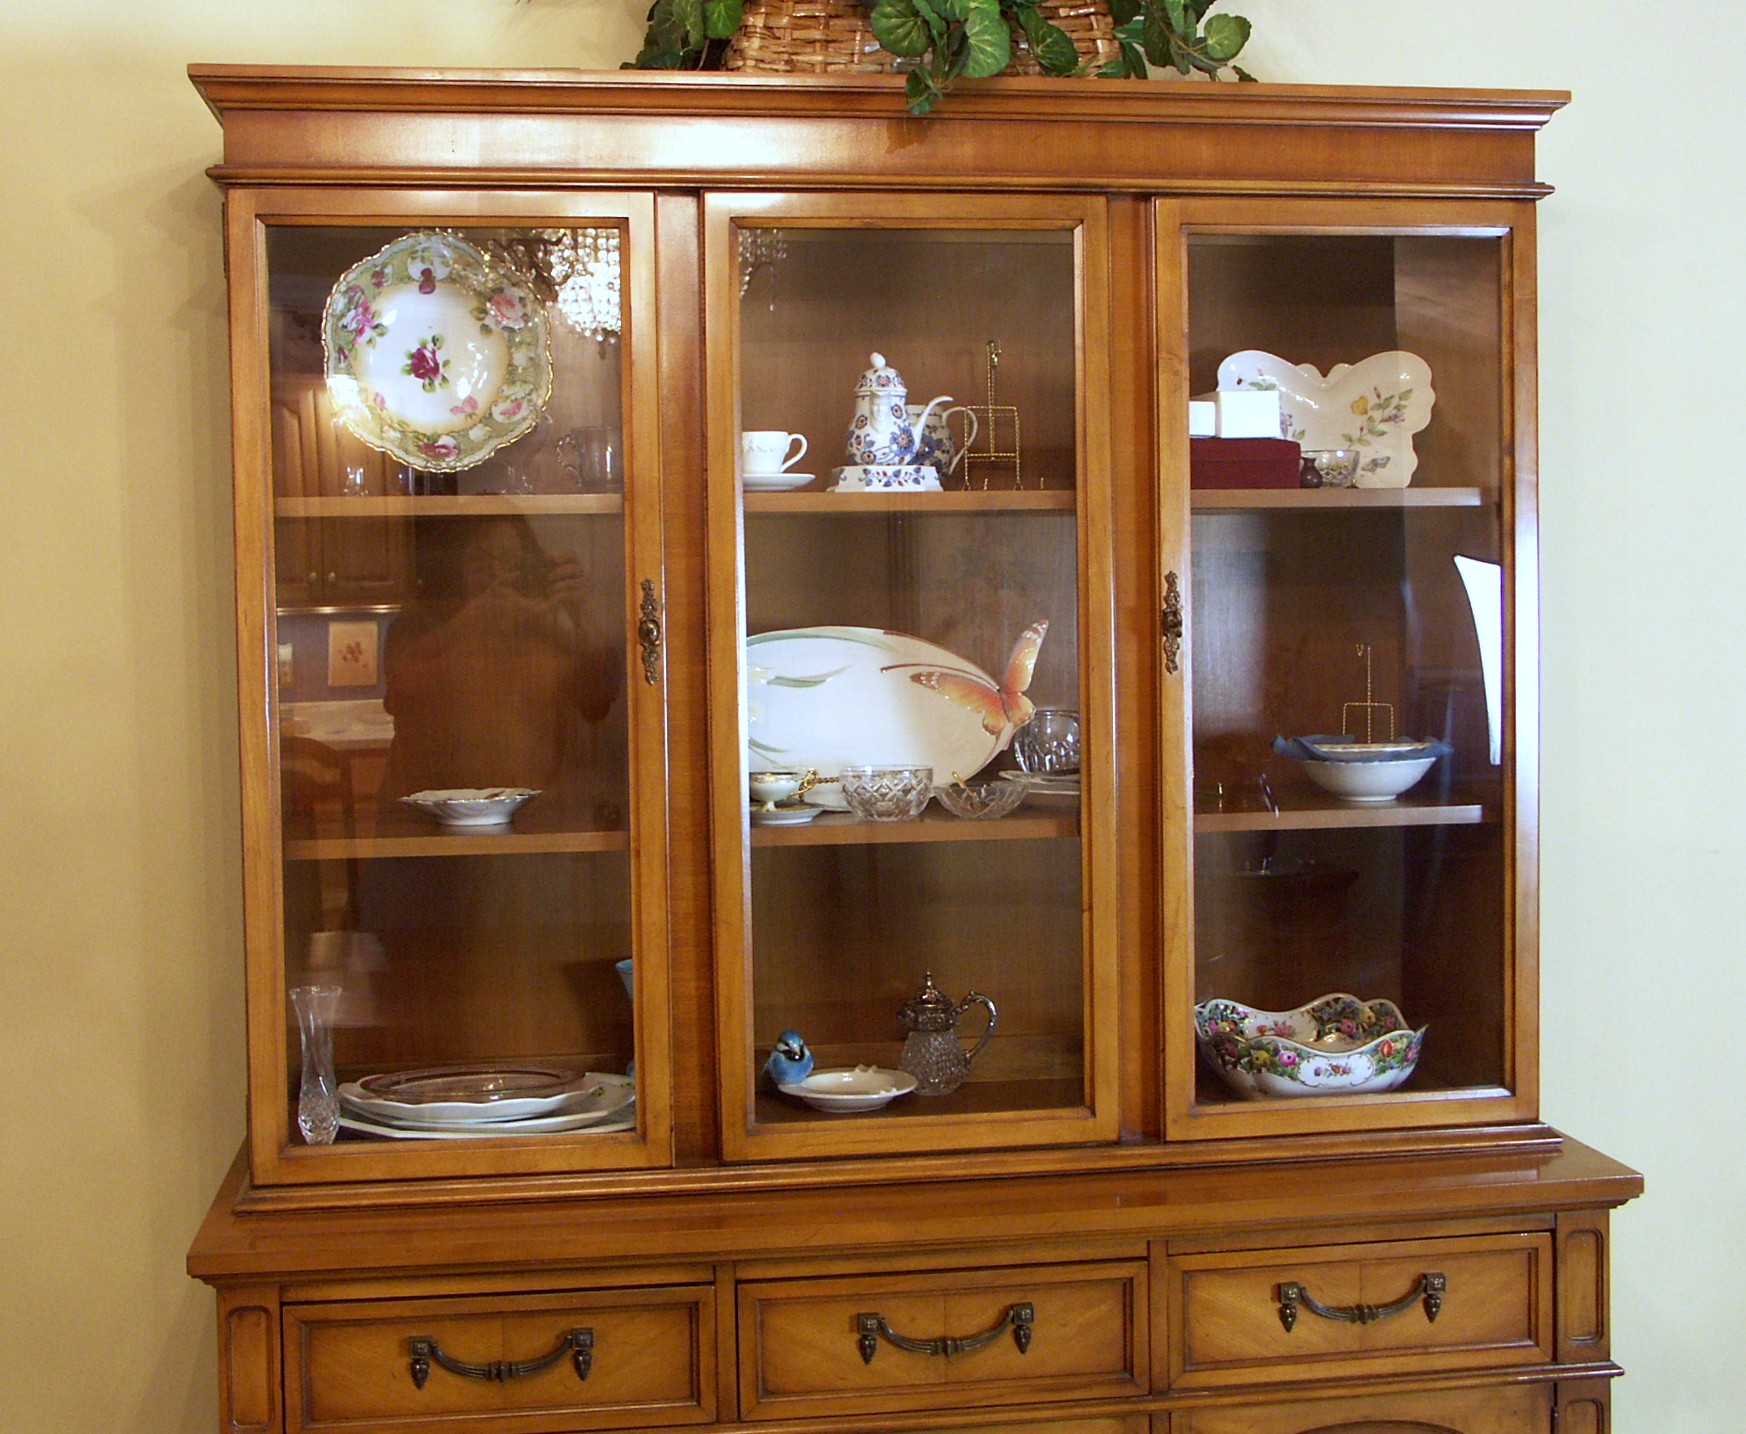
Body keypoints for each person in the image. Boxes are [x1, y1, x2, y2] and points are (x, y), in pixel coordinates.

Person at [381, 516, 621, 805]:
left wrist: (579, 611)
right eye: (480, 558)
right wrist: (473, 620)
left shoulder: (545, 633)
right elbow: (399, 693)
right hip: (429, 818)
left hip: (532, 815)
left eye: (508, 559)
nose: (495, 571)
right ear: (456, 565)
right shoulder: (417, 624)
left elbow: (600, 700)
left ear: (528, 566)